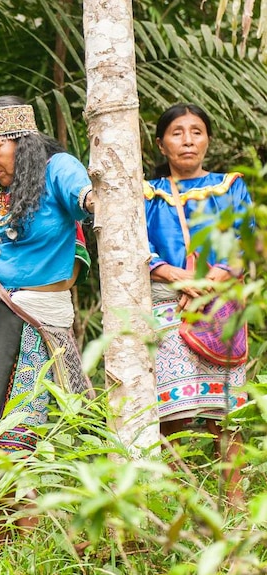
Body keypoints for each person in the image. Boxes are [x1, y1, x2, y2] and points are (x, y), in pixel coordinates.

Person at [0, 95, 96, 458]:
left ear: (23, 143)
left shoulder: (57, 170)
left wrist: (95, 199)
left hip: (34, 322)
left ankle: (29, 513)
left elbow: (83, 193)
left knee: (23, 432)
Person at [144, 103, 251, 505]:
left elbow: (243, 242)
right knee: (173, 410)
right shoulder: (146, 194)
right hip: (167, 306)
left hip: (219, 307)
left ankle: (235, 503)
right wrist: (174, 275)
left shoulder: (231, 186)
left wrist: (207, 283)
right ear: (161, 143)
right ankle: (174, 505)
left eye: (196, 131)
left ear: (208, 139)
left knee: (227, 413)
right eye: (177, 132)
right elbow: (139, 250)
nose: (188, 140)